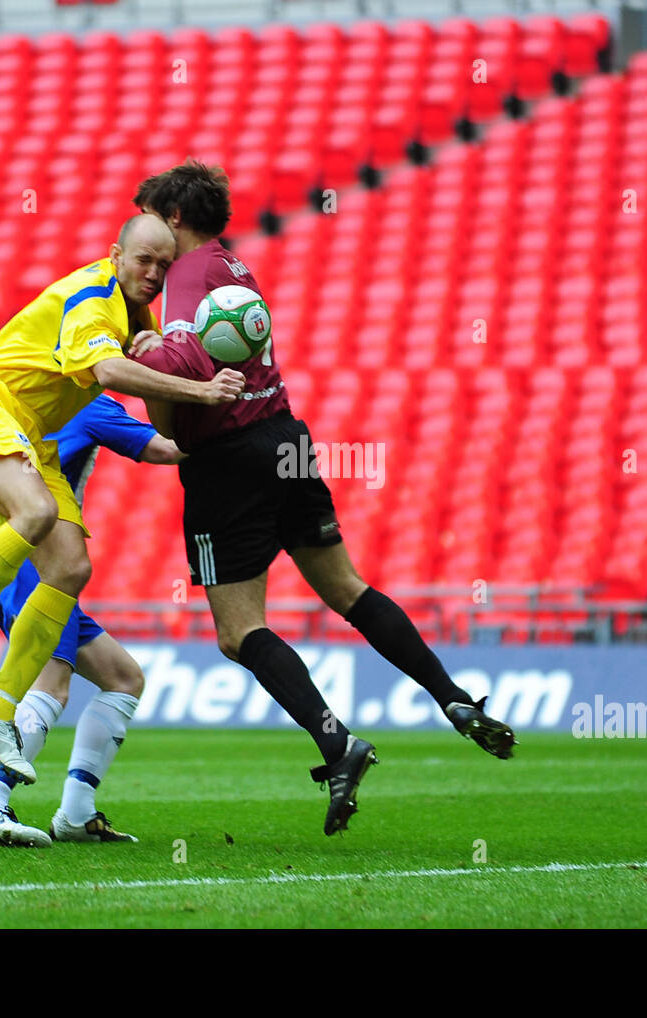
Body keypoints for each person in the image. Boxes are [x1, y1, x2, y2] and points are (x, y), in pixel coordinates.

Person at [131, 162, 516, 837]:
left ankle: (337, 743)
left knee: (237, 630)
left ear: (175, 218)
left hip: (230, 459)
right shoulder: (234, 268)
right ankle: (451, 696)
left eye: (151, 218)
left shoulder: (188, 274)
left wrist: (139, 354)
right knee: (346, 589)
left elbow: (191, 365)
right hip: (286, 437)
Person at [0, 214, 244, 786]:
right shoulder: (94, 296)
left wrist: (153, 345)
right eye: (144, 260)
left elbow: (130, 361)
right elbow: (107, 369)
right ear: (115, 254)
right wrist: (202, 390)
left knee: (70, 568)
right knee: (36, 514)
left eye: (164, 267)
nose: (154, 274)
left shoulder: (132, 311)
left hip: (33, 435)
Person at [0, 395, 183, 847]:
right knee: (51, 684)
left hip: (3, 561)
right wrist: (211, 408)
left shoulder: (13, 407)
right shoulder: (89, 403)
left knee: (123, 678)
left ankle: (75, 813)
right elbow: (168, 449)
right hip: (42, 566)